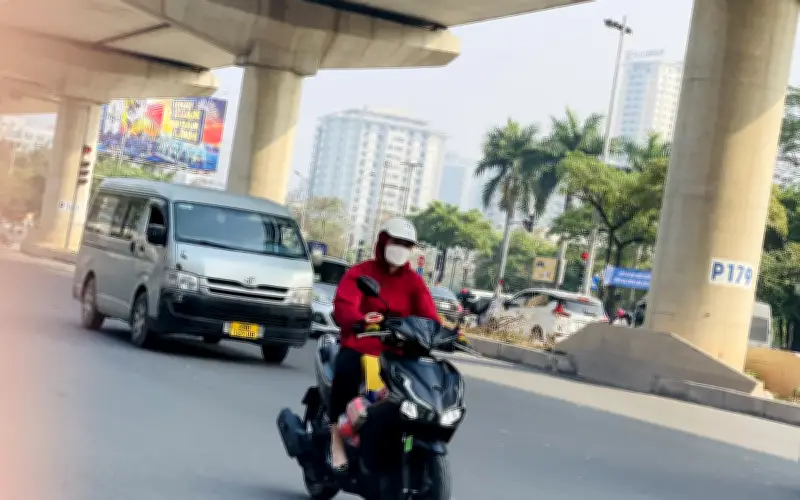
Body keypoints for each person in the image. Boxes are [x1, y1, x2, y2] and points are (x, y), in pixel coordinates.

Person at [329, 217, 440, 474]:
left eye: (406, 244)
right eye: (396, 241)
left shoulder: (413, 281)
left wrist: (444, 333)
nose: (401, 248)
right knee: (346, 369)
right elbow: (345, 305)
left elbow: (429, 316)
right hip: (361, 345)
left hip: (398, 353)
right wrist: (359, 321)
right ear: (383, 241)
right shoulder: (361, 273)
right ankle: (336, 439)